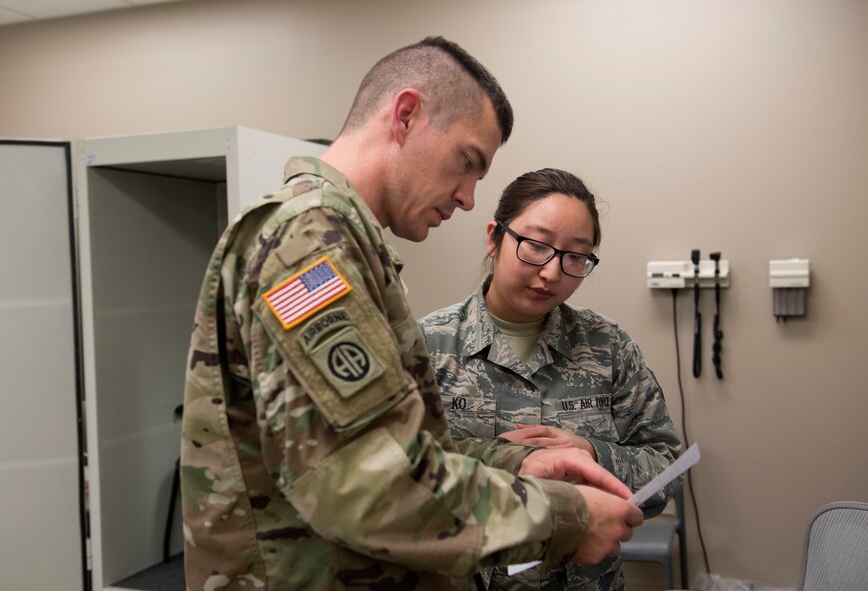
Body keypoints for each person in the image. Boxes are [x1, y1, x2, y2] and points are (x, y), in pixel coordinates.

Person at [180, 38, 643, 591]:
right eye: (467, 162)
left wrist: (514, 463)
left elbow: (393, 450)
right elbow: (365, 483)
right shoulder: (308, 243)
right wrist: (567, 520)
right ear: (405, 116)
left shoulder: (341, 241)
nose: (470, 197)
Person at [419, 168, 683, 590]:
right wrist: (506, 462)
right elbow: (402, 478)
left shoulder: (608, 347)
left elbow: (666, 471)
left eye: (575, 257)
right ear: (494, 237)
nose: (552, 272)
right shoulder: (427, 348)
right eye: (536, 246)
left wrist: (593, 456)